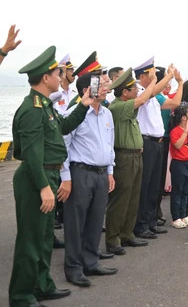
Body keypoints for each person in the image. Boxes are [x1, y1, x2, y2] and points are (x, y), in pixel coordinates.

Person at [9, 46, 95, 307]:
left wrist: (83, 106)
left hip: (47, 175)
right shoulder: (32, 110)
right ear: (45, 78)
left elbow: (64, 127)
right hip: (36, 179)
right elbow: (32, 154)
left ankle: (41, 284)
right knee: (30, 239)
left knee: (44, 237)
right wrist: (45, 187)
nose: (61, 76)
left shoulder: (45, 106)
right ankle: (22, 295)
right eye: (57, 73)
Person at [60, 71, 118, 289]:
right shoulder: (74, 114)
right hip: (80, 172)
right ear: (87, 89)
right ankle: (73, 268)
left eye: (106, 83)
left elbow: (109, 145)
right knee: (75, 222)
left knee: (95, 220)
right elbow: (63, 146)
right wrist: (65, 177)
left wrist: (110, 171)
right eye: (102, 84)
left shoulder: (107, 114)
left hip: (102, 173)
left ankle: (91, 261)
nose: (107, 87)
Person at [105, 67, 170, 256]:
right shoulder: (118, 106)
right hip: (124, 156)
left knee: (133, 197)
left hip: (135, 155)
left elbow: (144, 99)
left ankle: (127, 233)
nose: (136, 91)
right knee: (121, 199)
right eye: (133, 88)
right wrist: (151, 83)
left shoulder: (127, 105)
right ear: (125, 92)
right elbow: (143, 99)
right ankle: (113, 238)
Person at [132, 58, 182, 240]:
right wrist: (167, 76)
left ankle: (150, 221)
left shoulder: (152, 93)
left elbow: (172, 103)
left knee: (155, 186)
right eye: (151, 74)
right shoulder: (140, 91)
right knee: (144, 186)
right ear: (142, 76)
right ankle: (140, 225)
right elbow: (150, 94)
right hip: (146, 143)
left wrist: (174, 79)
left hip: (157, 142)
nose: (154, 76)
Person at [169, 106, 188, 229]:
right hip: (178, 163)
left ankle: (183, 214)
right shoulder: (176, 131)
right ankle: (175, 217)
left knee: (185, 191)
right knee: (177, 191)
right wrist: (185, 131)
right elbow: (177, 145)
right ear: (184, 118)